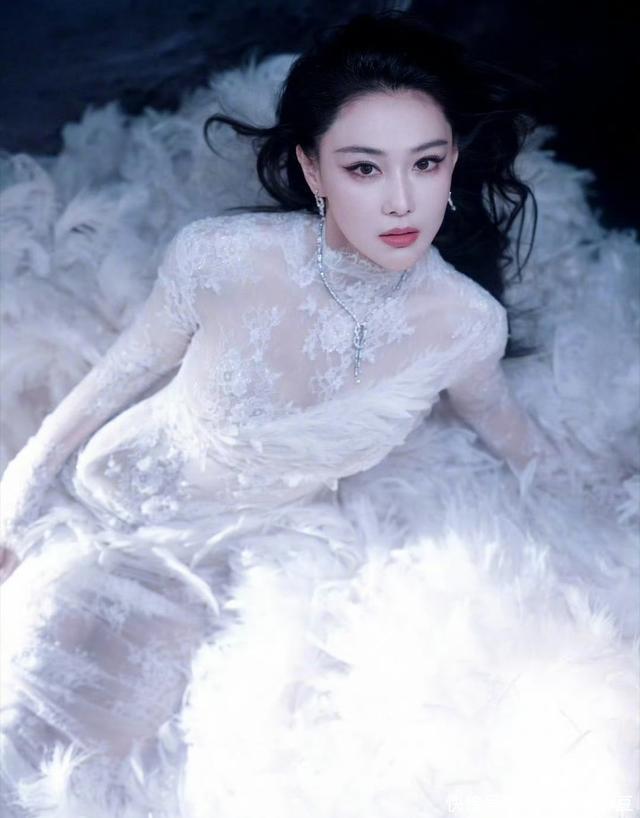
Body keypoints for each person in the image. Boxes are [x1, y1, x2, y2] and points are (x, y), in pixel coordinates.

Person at [0, 11, 637, 818]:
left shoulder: (466, 323)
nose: (401, 202)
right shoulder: (221, 256)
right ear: (312, 169)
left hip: (236, 556)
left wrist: (615, 497)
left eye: (426, 163)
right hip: (118, 500)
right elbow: (112, 381)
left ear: (451, 164)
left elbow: (516, 438)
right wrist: (13, 510)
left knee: (98, 777)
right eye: (364, 168)